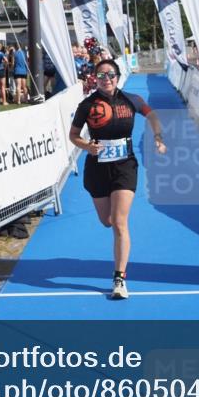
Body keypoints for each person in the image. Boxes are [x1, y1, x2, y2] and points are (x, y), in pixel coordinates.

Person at [68, 58, 166, 300]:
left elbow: (152, 116)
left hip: (125, 166)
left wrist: (158, 138)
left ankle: (119, 278)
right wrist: (86, 146)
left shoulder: (131, 100)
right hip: (97, 169)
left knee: (121, 222)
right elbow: (73, 135)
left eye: (111, 74)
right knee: (108, 221)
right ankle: (118, 264)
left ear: (118, 76)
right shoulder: (87, 105)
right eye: (101, 75)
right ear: (95, 78)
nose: (107, 79)